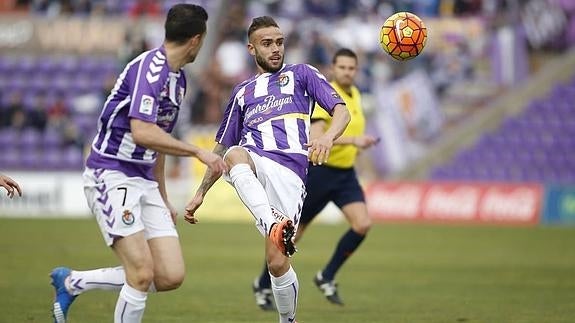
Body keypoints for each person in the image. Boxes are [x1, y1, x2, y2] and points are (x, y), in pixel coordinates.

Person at [49, 4, 226, 323]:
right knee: (142, 273)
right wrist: (197, 152)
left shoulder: (179, 81)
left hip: (144, 180)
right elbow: (142, 132)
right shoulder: (150, 69)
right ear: (196, 40)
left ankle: (73, 281)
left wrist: (163, 197)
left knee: (170, 275)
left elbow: (156, 144)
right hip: (111, 173)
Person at [184, 16, 350, 323]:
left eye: (279, 42)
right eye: (266, 43)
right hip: (254, 160)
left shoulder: (302, 74)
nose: (275, 49)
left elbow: (341, 111)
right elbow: (220, 150)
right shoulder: (242, 92)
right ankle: (272, 222)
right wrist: (200, 193)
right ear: (251, 48)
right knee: (235, 153)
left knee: (276, 264)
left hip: (290, 174)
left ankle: (288, 320)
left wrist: (327, 137)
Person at [253, 48, 378, 309]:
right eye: (342, 67)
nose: (347, 72)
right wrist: (354, 140)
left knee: (362, 224)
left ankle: (326, 276)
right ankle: (263, 285)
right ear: (333, 68)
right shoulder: (327, 96)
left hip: (345, 174)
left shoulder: (355, 96)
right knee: (289, 237)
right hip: (320, 173)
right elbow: (317, 137)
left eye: (351, 68)